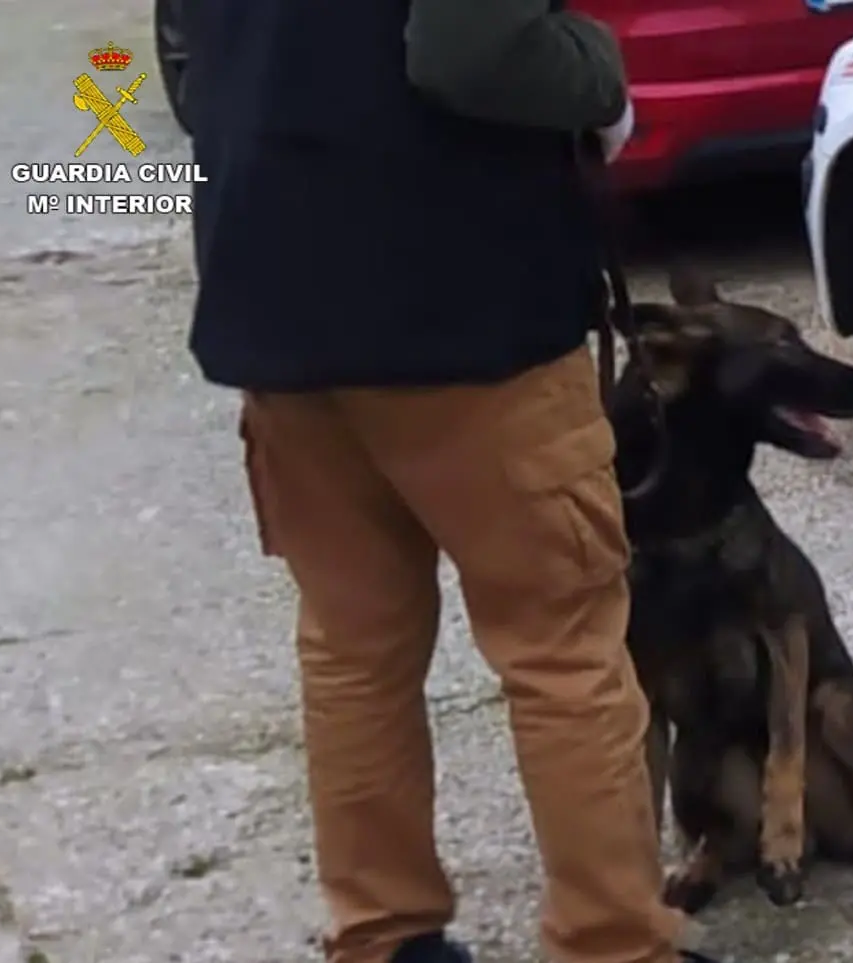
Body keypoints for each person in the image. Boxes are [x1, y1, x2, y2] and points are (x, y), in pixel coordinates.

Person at [184, 1, 707, 963]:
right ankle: (612, 943)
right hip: (465, 303)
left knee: (354, 648)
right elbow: (472, 48)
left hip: (273, 293)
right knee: (561, 648)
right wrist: (600, 75)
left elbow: (186, 56)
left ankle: (383, 933)